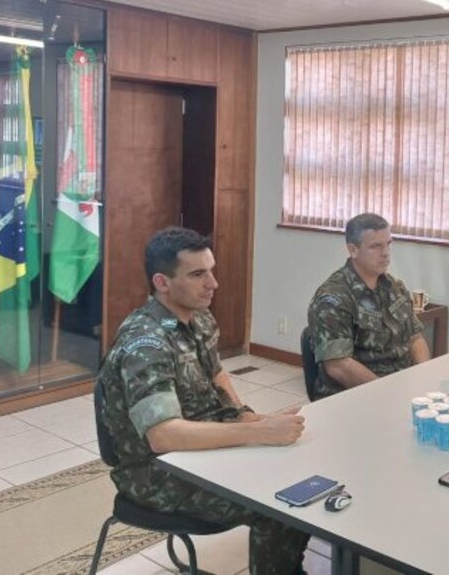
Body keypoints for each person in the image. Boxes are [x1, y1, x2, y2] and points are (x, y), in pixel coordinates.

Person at [97, 227, 310, 574]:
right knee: (279, 501)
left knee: (299, 469)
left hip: (200, 449)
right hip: (156, 473)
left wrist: (246, 417)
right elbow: (163, 436)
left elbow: (217, 375)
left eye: (211, 270)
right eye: (198, 274)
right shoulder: (146, 343)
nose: (213, 283)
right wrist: (262, 434)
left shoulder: (199, 318)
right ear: (162, 283)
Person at [308, 213, 431, 397]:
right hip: (352, 397)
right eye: (376, 246)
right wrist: (386, 393)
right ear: (353, 250)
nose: (386, 253)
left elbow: (415, 338)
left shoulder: (395, 288)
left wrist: (425, 377)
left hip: (400, 389)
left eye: (388, 244)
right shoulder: (333, 298)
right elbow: (338, 365)